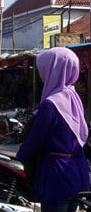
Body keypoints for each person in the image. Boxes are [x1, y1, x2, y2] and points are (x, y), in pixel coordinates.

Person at [16, 47, 89, 212]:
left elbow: (35, 140)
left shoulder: (51, 104)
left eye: (44, 69)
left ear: (54, 70)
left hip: (58, 177)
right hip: (77, 173)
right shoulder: (74, 98)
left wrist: (19, 156)